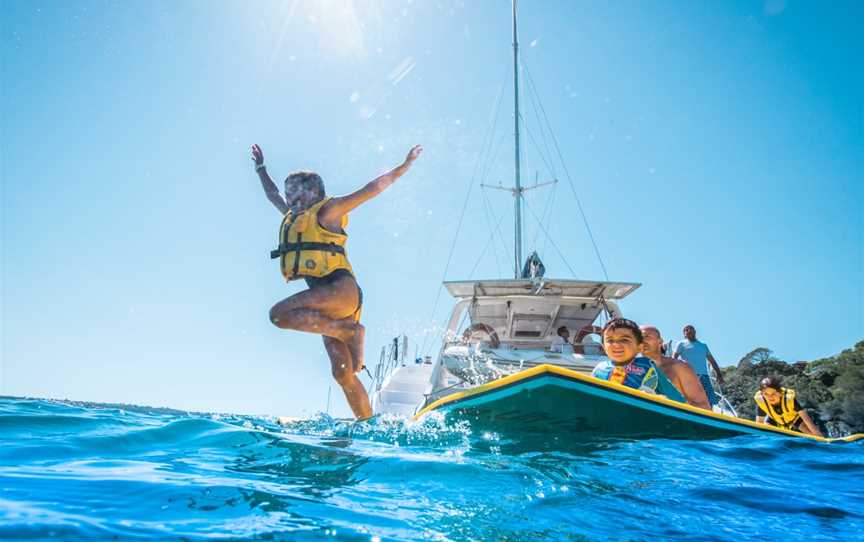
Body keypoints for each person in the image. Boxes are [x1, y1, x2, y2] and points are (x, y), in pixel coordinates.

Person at [252, 142, 423, 420]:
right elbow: (271, 194)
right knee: (342, 373)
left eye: (294, 191)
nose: (288, 197)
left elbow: (370, 189)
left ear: (314, 192)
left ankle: (349, 332)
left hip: (339, 290)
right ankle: (367, 424)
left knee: (278, 316)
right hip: (328, 305)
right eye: (288, 192)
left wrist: (404, 167)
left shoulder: (327, 211)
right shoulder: (293, 216)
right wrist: (261, 169)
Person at [639, 325, 710, 410]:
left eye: (647, 337)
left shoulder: (678, 367)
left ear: (660, 341)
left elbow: (702, 406)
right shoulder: (633, 370)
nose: (642, 341)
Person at [592, 318, 659, 393]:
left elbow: (651, 391)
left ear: (639, 347)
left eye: (624, 340)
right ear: (604, 347)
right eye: (610, 340)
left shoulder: (648, 366)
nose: (616, 344)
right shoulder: (599, 369)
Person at [673, 325, 724, 406]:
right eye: (686, 330)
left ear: (695, 331)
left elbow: (712, 361)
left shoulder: (703, 345)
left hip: (704, 376)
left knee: (709, 400)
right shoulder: (681, 344)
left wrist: (719, 374)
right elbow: (673, 359)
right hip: (688, 376)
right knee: (691, 399)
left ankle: (708, 416)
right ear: (684, 334)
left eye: (690, 329)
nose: (688, 330)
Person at [754, 377, 823, 437]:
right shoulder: (761, 401)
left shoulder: (789, 400)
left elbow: (807, 420)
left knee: (811, 433)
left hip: (794, 420)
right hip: (774, 419)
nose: (770, 397)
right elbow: (759, 423)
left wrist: (820, 438)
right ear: (762, 394)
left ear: (780, 393)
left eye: (773, 393)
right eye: (766, 394)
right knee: (766, 430)